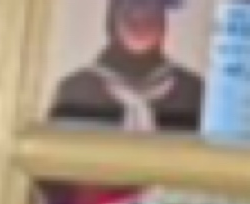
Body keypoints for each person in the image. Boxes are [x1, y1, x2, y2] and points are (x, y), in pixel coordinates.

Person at [49, 0, 205, 132]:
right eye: (131, 8)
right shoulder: (76, 91)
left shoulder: (194, 93)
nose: (141, 16)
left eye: (151, 11)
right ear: (113, 16)